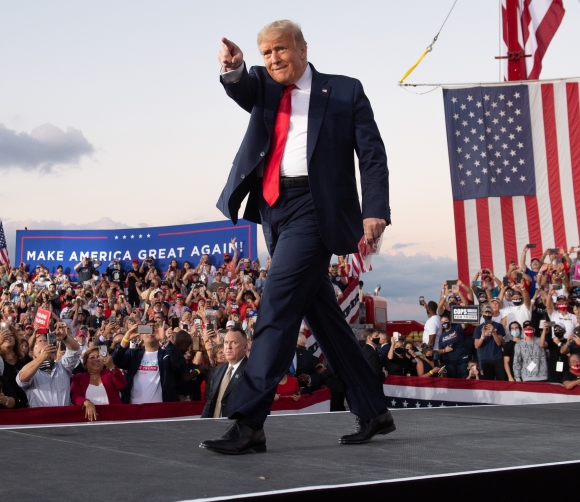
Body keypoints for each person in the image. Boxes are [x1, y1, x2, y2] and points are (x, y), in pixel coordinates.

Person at [207, 19, 393, 454]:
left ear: (303, 49)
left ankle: (249, 420)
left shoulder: (345, 91)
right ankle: (374, 410)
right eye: (266, 52)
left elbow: (372, 155)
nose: (273, 59)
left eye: (281, 50)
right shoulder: (263, 84)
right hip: (274, 208)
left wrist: (375, 212)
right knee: (323, 318)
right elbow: (242, 89)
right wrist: (234, 69)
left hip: (317, 208)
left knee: (276, 303)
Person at [112, 323, 187, 404]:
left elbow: (181, 365)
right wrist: (125, 339)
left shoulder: (167, 355)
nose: (150, 332)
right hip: (134, 409)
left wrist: (165, 340)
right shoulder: (133, 354)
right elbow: (116, 360)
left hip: (162, 410)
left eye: (154, 330)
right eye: (147, 329)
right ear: (141, 336)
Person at [200, 328, 249, 420]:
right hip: (214, 428)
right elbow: (211, 401)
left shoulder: (252, 371)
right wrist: (203, 423)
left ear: (245, 347)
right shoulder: (219, 370)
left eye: (234, 343)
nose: (228, 347)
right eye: (226, 342)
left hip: (236, 429)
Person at [70, 346, 127, 421]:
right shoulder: (78, 378)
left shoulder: (111, 374)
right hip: (90, 419)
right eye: (92, 357)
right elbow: (74, 395)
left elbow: (122, 384)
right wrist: (86, 403)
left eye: (99, 357)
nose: (96, 359)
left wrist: (112, 366)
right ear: (86, 361)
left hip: (113, 418)